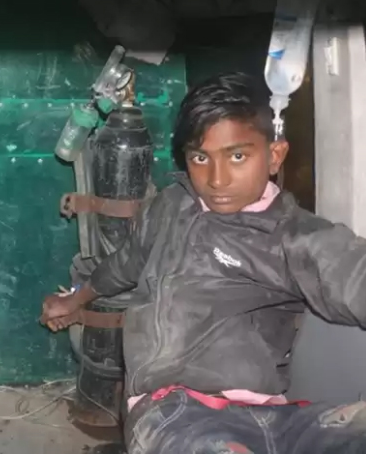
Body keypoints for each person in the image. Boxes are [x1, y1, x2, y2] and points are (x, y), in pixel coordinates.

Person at [41, 72, 366, 454]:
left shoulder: (292, 236)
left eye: (237, 156)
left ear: (274, 155)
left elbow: (351, 273)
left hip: (278, 417)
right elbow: (125, 264)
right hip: (177, 414)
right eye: (200, 158)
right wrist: (75, 298)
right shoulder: (169, 205)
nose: (216, 179)